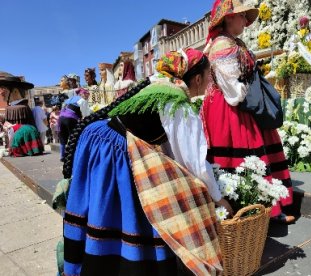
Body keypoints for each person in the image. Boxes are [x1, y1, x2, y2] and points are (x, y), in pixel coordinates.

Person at [60, 48, 228, 275]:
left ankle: (99, 261)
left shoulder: (159, 86)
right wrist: (218, 198)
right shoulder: (179, 103)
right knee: (121, 215)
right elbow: (194, 164)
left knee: (101, 209)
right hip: (116, 151)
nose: (210, 82)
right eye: (208, 76)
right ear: (197, 78)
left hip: (99, 140)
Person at [201, 0, 294, 223]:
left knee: (254, 156)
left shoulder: (233, 42)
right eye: (242, 16)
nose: (245, 21)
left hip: (237, 105)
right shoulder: (223, 46)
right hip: (230, 109)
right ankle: (254, 212)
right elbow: (233, 90)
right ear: (228, 18)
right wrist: (253, 93)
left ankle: (264, 209)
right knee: (243, 156)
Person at [58, 88, 91, 161]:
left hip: (60, 119)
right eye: (86, 94)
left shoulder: (70, 99)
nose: (87, 96)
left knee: (63, 137)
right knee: (73, 136)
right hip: (70, 119)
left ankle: (62, 156)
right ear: (82, 94)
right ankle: (73, 154)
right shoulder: (82, 100)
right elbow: (86, 114)